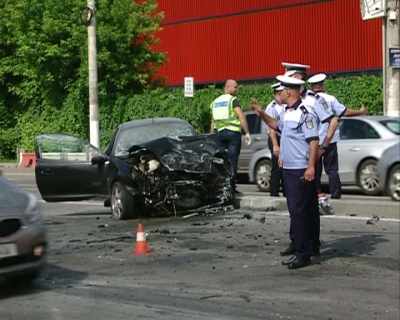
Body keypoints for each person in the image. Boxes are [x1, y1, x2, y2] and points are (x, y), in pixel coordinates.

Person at [250, 75, 320, 270]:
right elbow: (276, 125)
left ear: (289, 92)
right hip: (288, 169)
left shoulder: (305, 113)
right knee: (297, 211)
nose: (280, 93)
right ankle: (303, 247)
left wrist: (311, 166)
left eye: (282, 90)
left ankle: (303, 253)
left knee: (299, 212)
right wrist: (261, 113)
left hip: (299, 168)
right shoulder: (287, 112)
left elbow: (313, 141)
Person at [281, 63, 339, 254]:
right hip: (297, 156)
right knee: (298, 203)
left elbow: (333, 121)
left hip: (310, 157)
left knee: (307, 204)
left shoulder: (314, 100)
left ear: (297, 79)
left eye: (288, 77)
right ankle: (297, 241)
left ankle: (310, 243)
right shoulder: (290, 104)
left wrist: (323, 146)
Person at [307, 73, 368, 199]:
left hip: (314, 140)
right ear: (323, 86)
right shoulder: (330, 99)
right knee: (332, 169)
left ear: (312, 87)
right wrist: (360, 112)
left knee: (315, 168)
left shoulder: (308, 100)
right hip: (330, 140)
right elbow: (345, 112)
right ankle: (336, 194)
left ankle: (315, 193)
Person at [210, 79, 251, 196]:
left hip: (220, 134)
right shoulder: (233, 100)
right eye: (235, 87)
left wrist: (212, 135)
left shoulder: (215, 102)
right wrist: (247, 132)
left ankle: (223, 188)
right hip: (233, 135)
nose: (237, 89)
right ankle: (231, 188)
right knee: (232, 161)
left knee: (222, 162)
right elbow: (241, 116)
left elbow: (213, 121)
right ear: (228, 88)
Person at [265, 83, 286, 197]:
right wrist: (275, 145)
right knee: (277, 167)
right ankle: (274, 193)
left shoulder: (282, 106)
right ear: (279, 92)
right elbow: (271, 128)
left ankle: (286, 192)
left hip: (282, 138)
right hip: (275, 139)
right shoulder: (272, 108)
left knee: (283, 166)